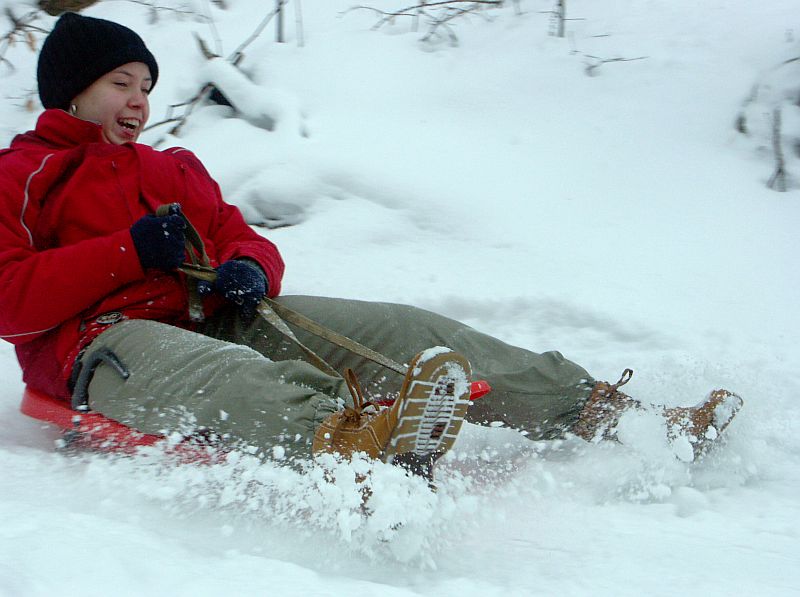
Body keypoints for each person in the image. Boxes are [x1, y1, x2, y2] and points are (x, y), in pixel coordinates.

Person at [0, 14, 741, 473]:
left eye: (145, 85)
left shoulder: (171, 167)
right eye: (121, 83)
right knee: (232, 376)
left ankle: (611, 414)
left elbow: (239, 235)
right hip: (101, 348)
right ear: (72, 90)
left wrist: (249, 267)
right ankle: (355, 443)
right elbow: (8, 302)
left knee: (407, 330)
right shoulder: (23, 174)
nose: (139, 101)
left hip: (210, 315)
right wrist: (128, 251)